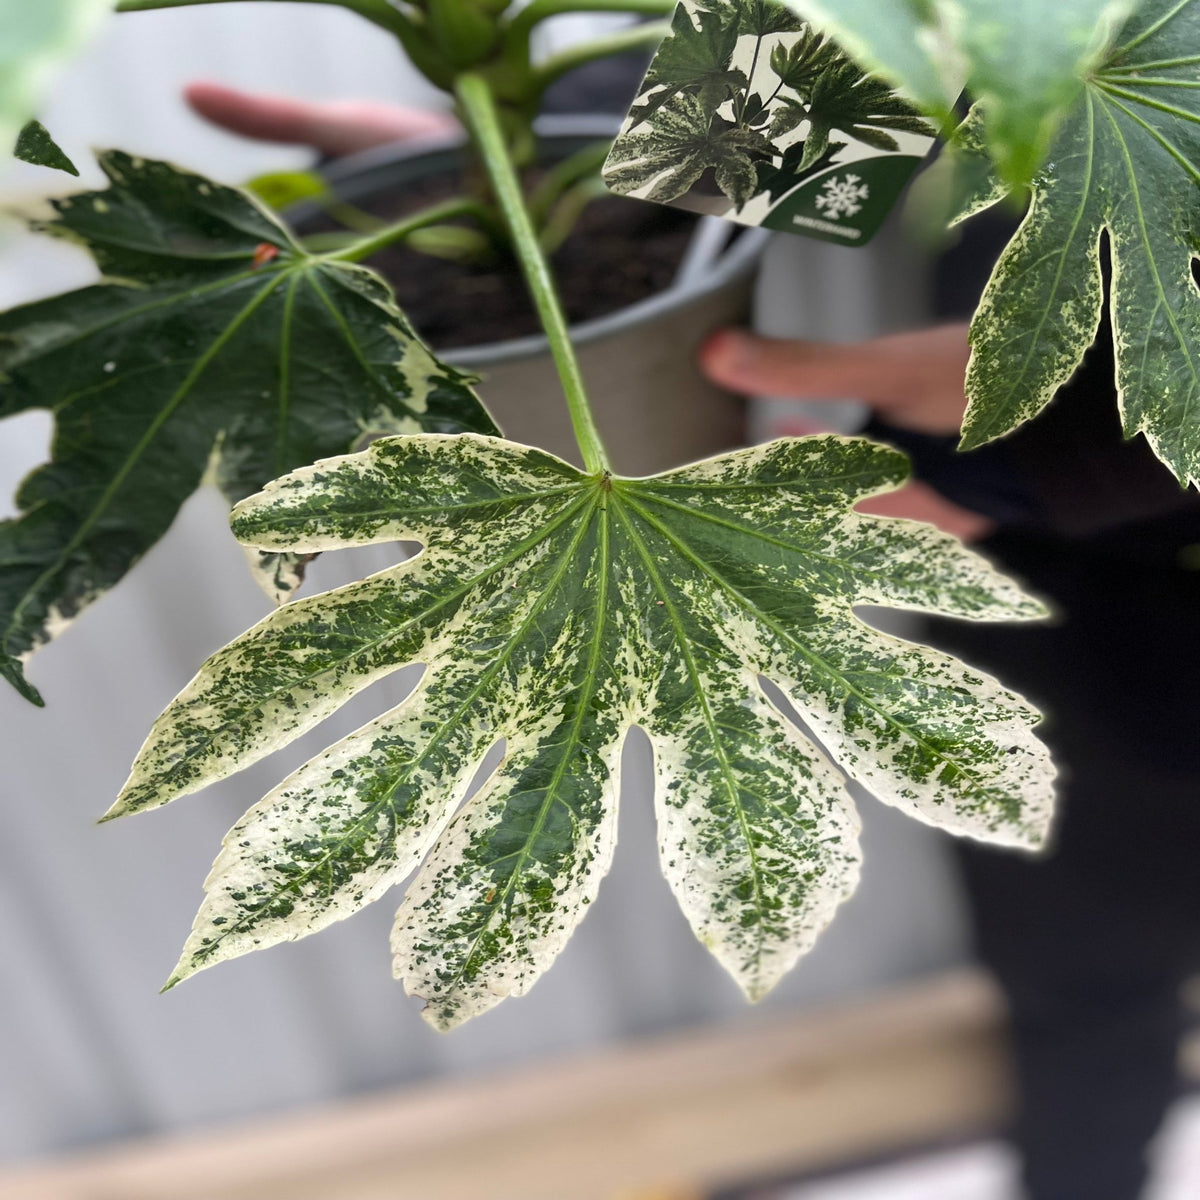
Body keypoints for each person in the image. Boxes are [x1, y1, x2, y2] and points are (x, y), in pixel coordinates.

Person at [188, 78, 1200, 1200]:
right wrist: (549, 167)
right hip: (1085, 623)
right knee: (1082, 989)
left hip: (1059, 522)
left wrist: (1075, 429)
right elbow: (936, 54)